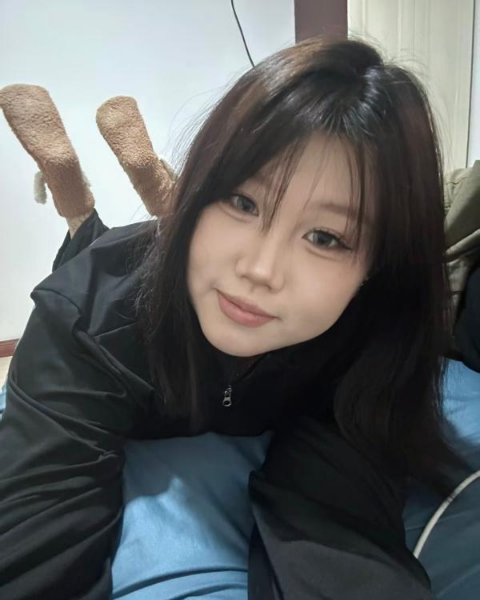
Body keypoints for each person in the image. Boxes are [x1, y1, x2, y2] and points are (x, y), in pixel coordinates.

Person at [0, 37, 465, 599]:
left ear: (378, 266)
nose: (260, 270)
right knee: (84, 242)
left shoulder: (368, 337)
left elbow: (342, 542)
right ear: (197, 191)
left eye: (325, 237)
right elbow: (37, 554)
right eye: (243, 202)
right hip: (118, 273)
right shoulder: (86, 319)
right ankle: (76, 207)